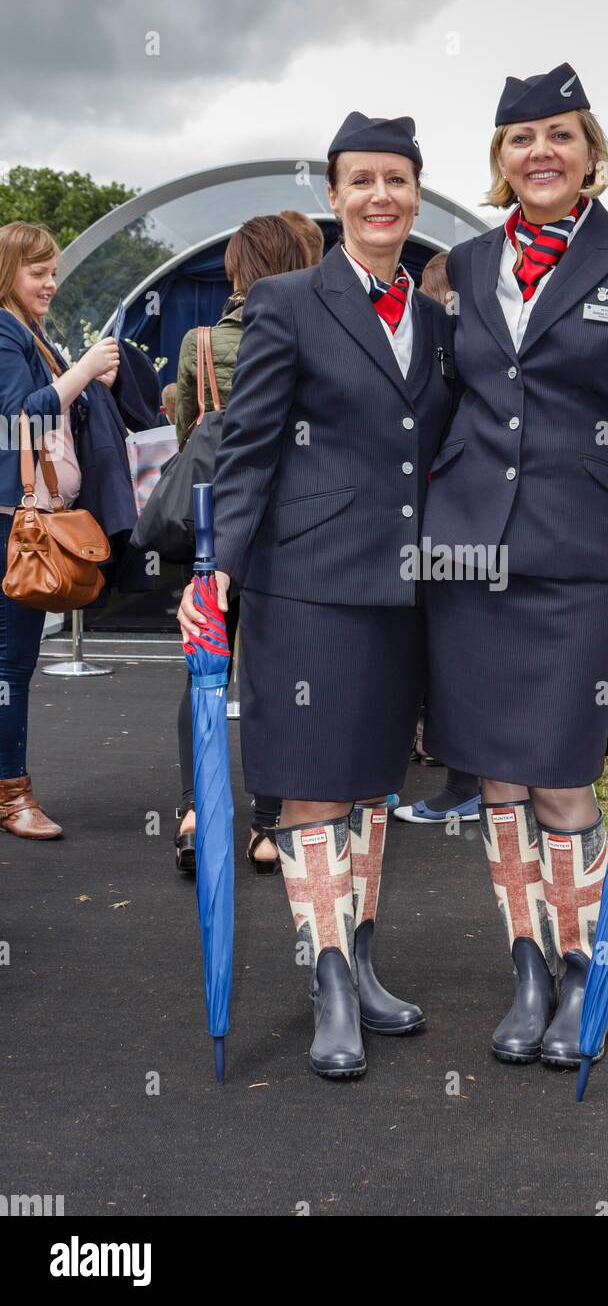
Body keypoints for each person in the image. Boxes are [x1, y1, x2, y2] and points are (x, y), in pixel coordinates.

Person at [421, 62, 608, 1069]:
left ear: (589, 151)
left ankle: (584, 957)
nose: (539, 152)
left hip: (580, 550)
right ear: (497, 162)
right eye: (519, 139)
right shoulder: (458, 262)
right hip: (465, 550)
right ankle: (528, 965)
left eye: (559, 134)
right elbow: (435, 405)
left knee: (560, 769)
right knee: (497, 770)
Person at [177, 113, 456, 1079]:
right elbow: (248, 447)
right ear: (334, 197)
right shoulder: (290, 300)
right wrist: (215, 573)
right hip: (303, 585)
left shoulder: (437, 316)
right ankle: (328, 977)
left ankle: (365, 963)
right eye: (362, 180)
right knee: (311, 783)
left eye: (398, 180)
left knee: (374, 781)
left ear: (416, 194)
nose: (383, 196)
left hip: (403, 590)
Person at [171, 214, 316, 875]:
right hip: (290, 529)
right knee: (278, 677)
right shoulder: (314, 332)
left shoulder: (200, 343)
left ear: (234, 271)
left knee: (206, 668)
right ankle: (268, 825)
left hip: (215, 529)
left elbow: (183, 440)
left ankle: (197, 813)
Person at [0, 221, 119, 838]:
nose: (49, 283)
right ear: (8, 273)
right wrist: (84, 371)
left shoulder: (28, 330)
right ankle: (12, 796)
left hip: (20, 517)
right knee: (11, 663)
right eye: (36, 272)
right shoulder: (5, 328)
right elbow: (20, 413)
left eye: (52, 272)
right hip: (13, 521)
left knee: (11, 661)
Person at [393, 249, 481, 826]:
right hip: (447, 519)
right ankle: (466, 781)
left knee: (458, 654)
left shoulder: (460, 346)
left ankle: (467, 784)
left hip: (454, 520)